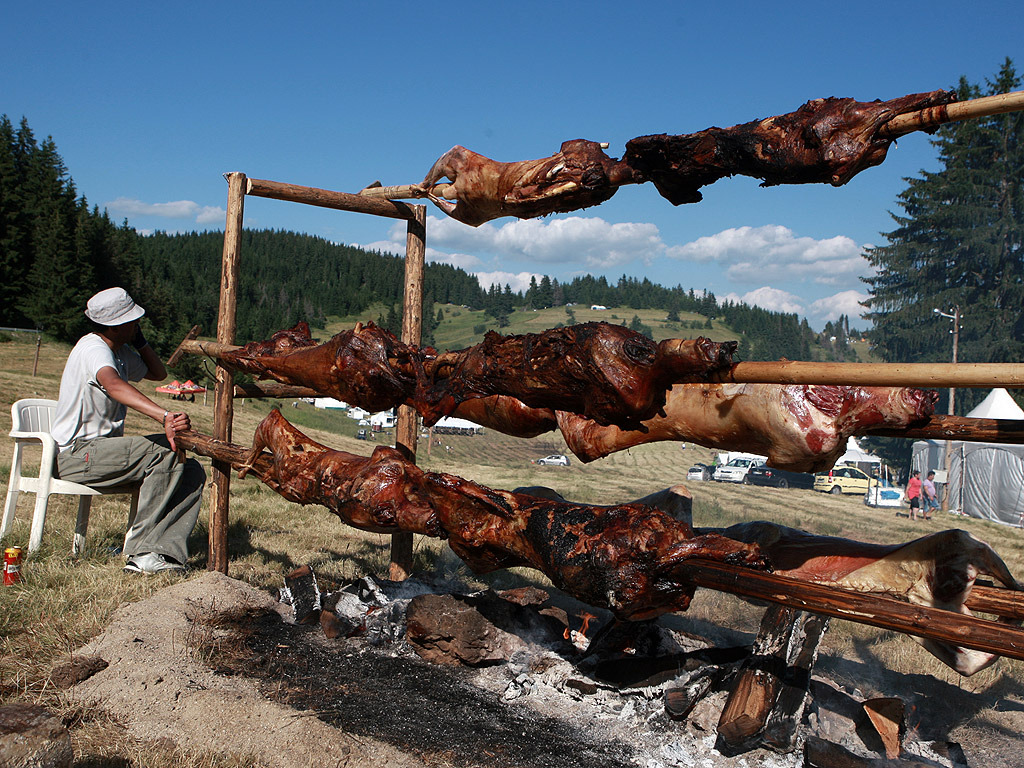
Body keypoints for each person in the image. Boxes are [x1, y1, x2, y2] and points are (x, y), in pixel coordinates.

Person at [51, 287, 206, 574]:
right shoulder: (94, 348)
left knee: (191, 468)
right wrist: (165, 416)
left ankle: (164, 551)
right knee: (162, 452)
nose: (138, 324)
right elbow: (112, 384)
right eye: (133, 321)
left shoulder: (119, 352)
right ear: (115, 324)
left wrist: (141, 341)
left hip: (99, 455)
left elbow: (158, 373)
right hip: (77, 456)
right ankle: (142, 552)